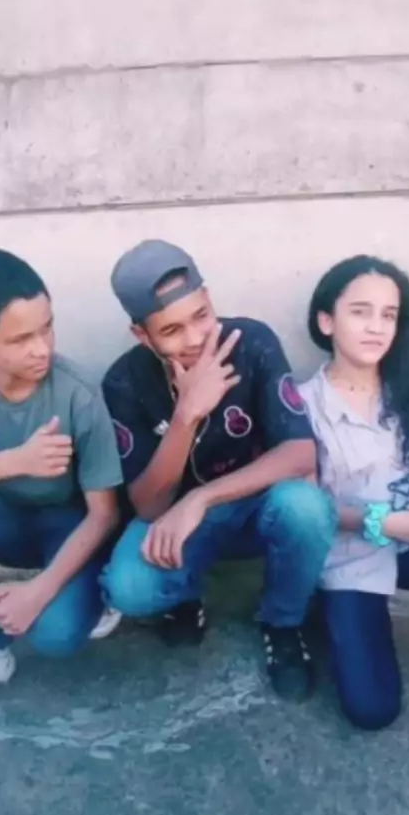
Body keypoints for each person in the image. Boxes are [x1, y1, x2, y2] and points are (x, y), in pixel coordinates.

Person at [100, 239, 336, 702]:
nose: (194, 338)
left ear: (209, 299)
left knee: (307, 508)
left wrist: (200, 497)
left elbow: (300, 454)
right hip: (179, 527)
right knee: (128, 588)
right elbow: (148, 505)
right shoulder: (124, 381)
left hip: (256, 509)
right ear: (142, 335)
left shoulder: (252, 343)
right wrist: (186, 415)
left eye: (201, 315)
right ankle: (186, 597)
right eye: (171, 330)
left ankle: (282, 622)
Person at [0, 248, 123, 733]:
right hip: (0, 517)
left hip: (68, 526)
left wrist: (37, 593)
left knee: (54, 634)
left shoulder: (76, 392)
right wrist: (16, 461)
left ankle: (90, 589)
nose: (42, 349)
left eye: (47, 328)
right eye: (21, 339)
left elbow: (104, 514)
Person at [300, 254, 409, 730]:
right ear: (326, 321)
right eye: (360, 312)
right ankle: (325, 611)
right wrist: (382, 521)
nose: (376, 327)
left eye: (388, 315)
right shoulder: (302, 406)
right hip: (350, 557)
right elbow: (306, 509)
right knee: (372, 709)